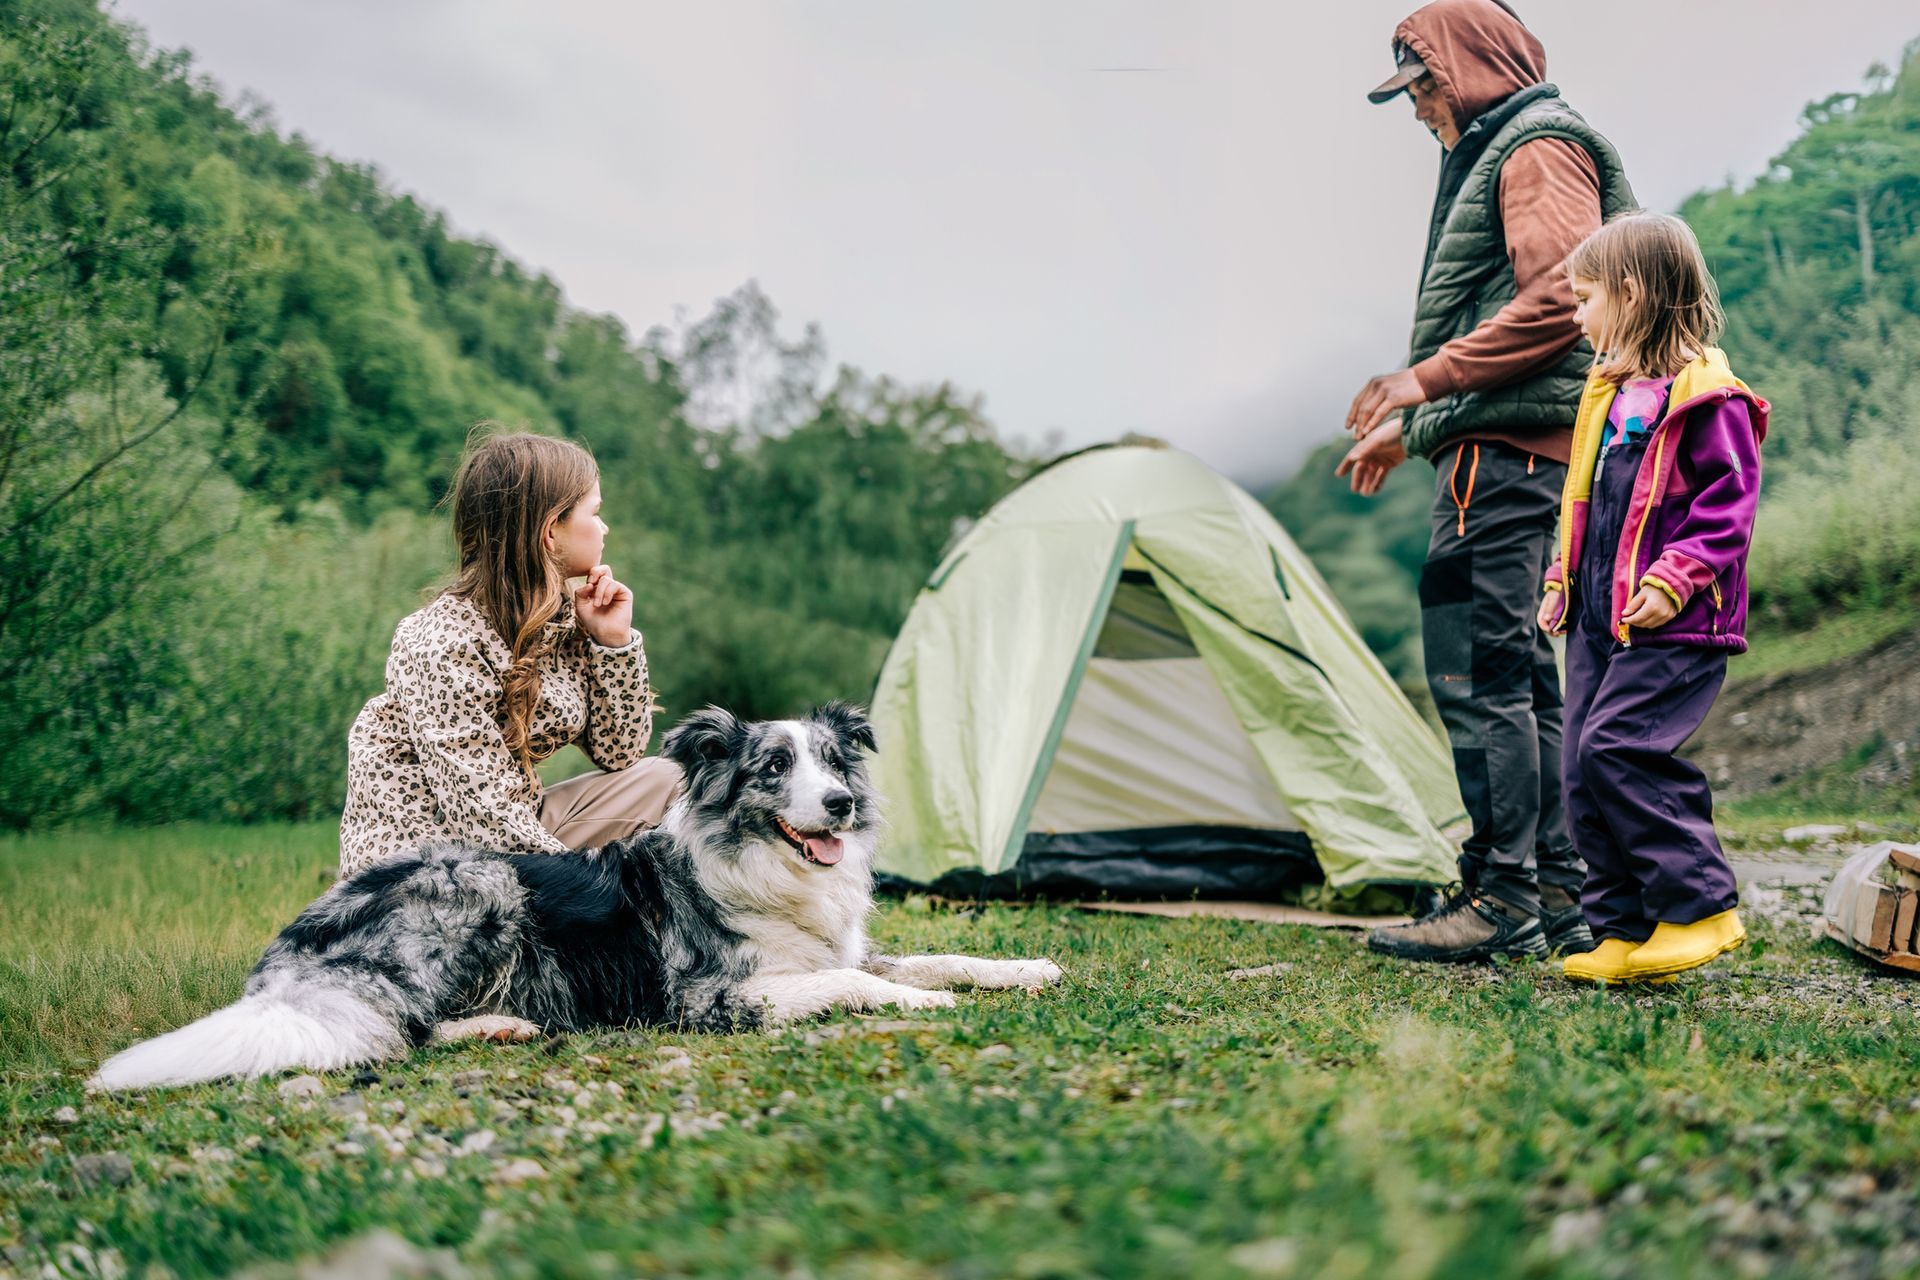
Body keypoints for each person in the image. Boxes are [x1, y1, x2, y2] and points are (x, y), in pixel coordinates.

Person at [1336, 0, 1637, 962]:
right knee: (1515, 676)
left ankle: (1503, 898)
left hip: (1505, 455)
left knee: (1479, 670)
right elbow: (1515, 309)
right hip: (1504, 444)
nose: (1420, 111)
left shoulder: (1537, 148)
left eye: (1421, 87)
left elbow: (1562, 297)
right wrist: (1414, 427)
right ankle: (1553, 894)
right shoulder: (1514, 150)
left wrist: (1420, 382)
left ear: (1467, 69)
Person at [1541, 212, 1766, 983]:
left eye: (1585, 297)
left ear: (1631, 293)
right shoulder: (1607, 397)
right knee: (1580, 765)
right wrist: (1558, 578)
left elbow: (1728, 506)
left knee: (1620, 748)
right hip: (1598, 621)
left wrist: (1676, 579)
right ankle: (1622, 926)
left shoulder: (1711, 397)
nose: (1577, 315)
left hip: (1676, 626)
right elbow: (1583, 500)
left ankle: (1700, 906)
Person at [337, 428, 678, 878]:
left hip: (519, 828)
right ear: (550, 532)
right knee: (584, 898)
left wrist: (611, 643)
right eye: (595, 513)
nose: (605, 527)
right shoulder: (439, 642)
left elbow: (621, 753)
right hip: (423, 867)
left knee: (668, 779)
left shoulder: (559, 619)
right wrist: (584, 886)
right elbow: (480, 816)